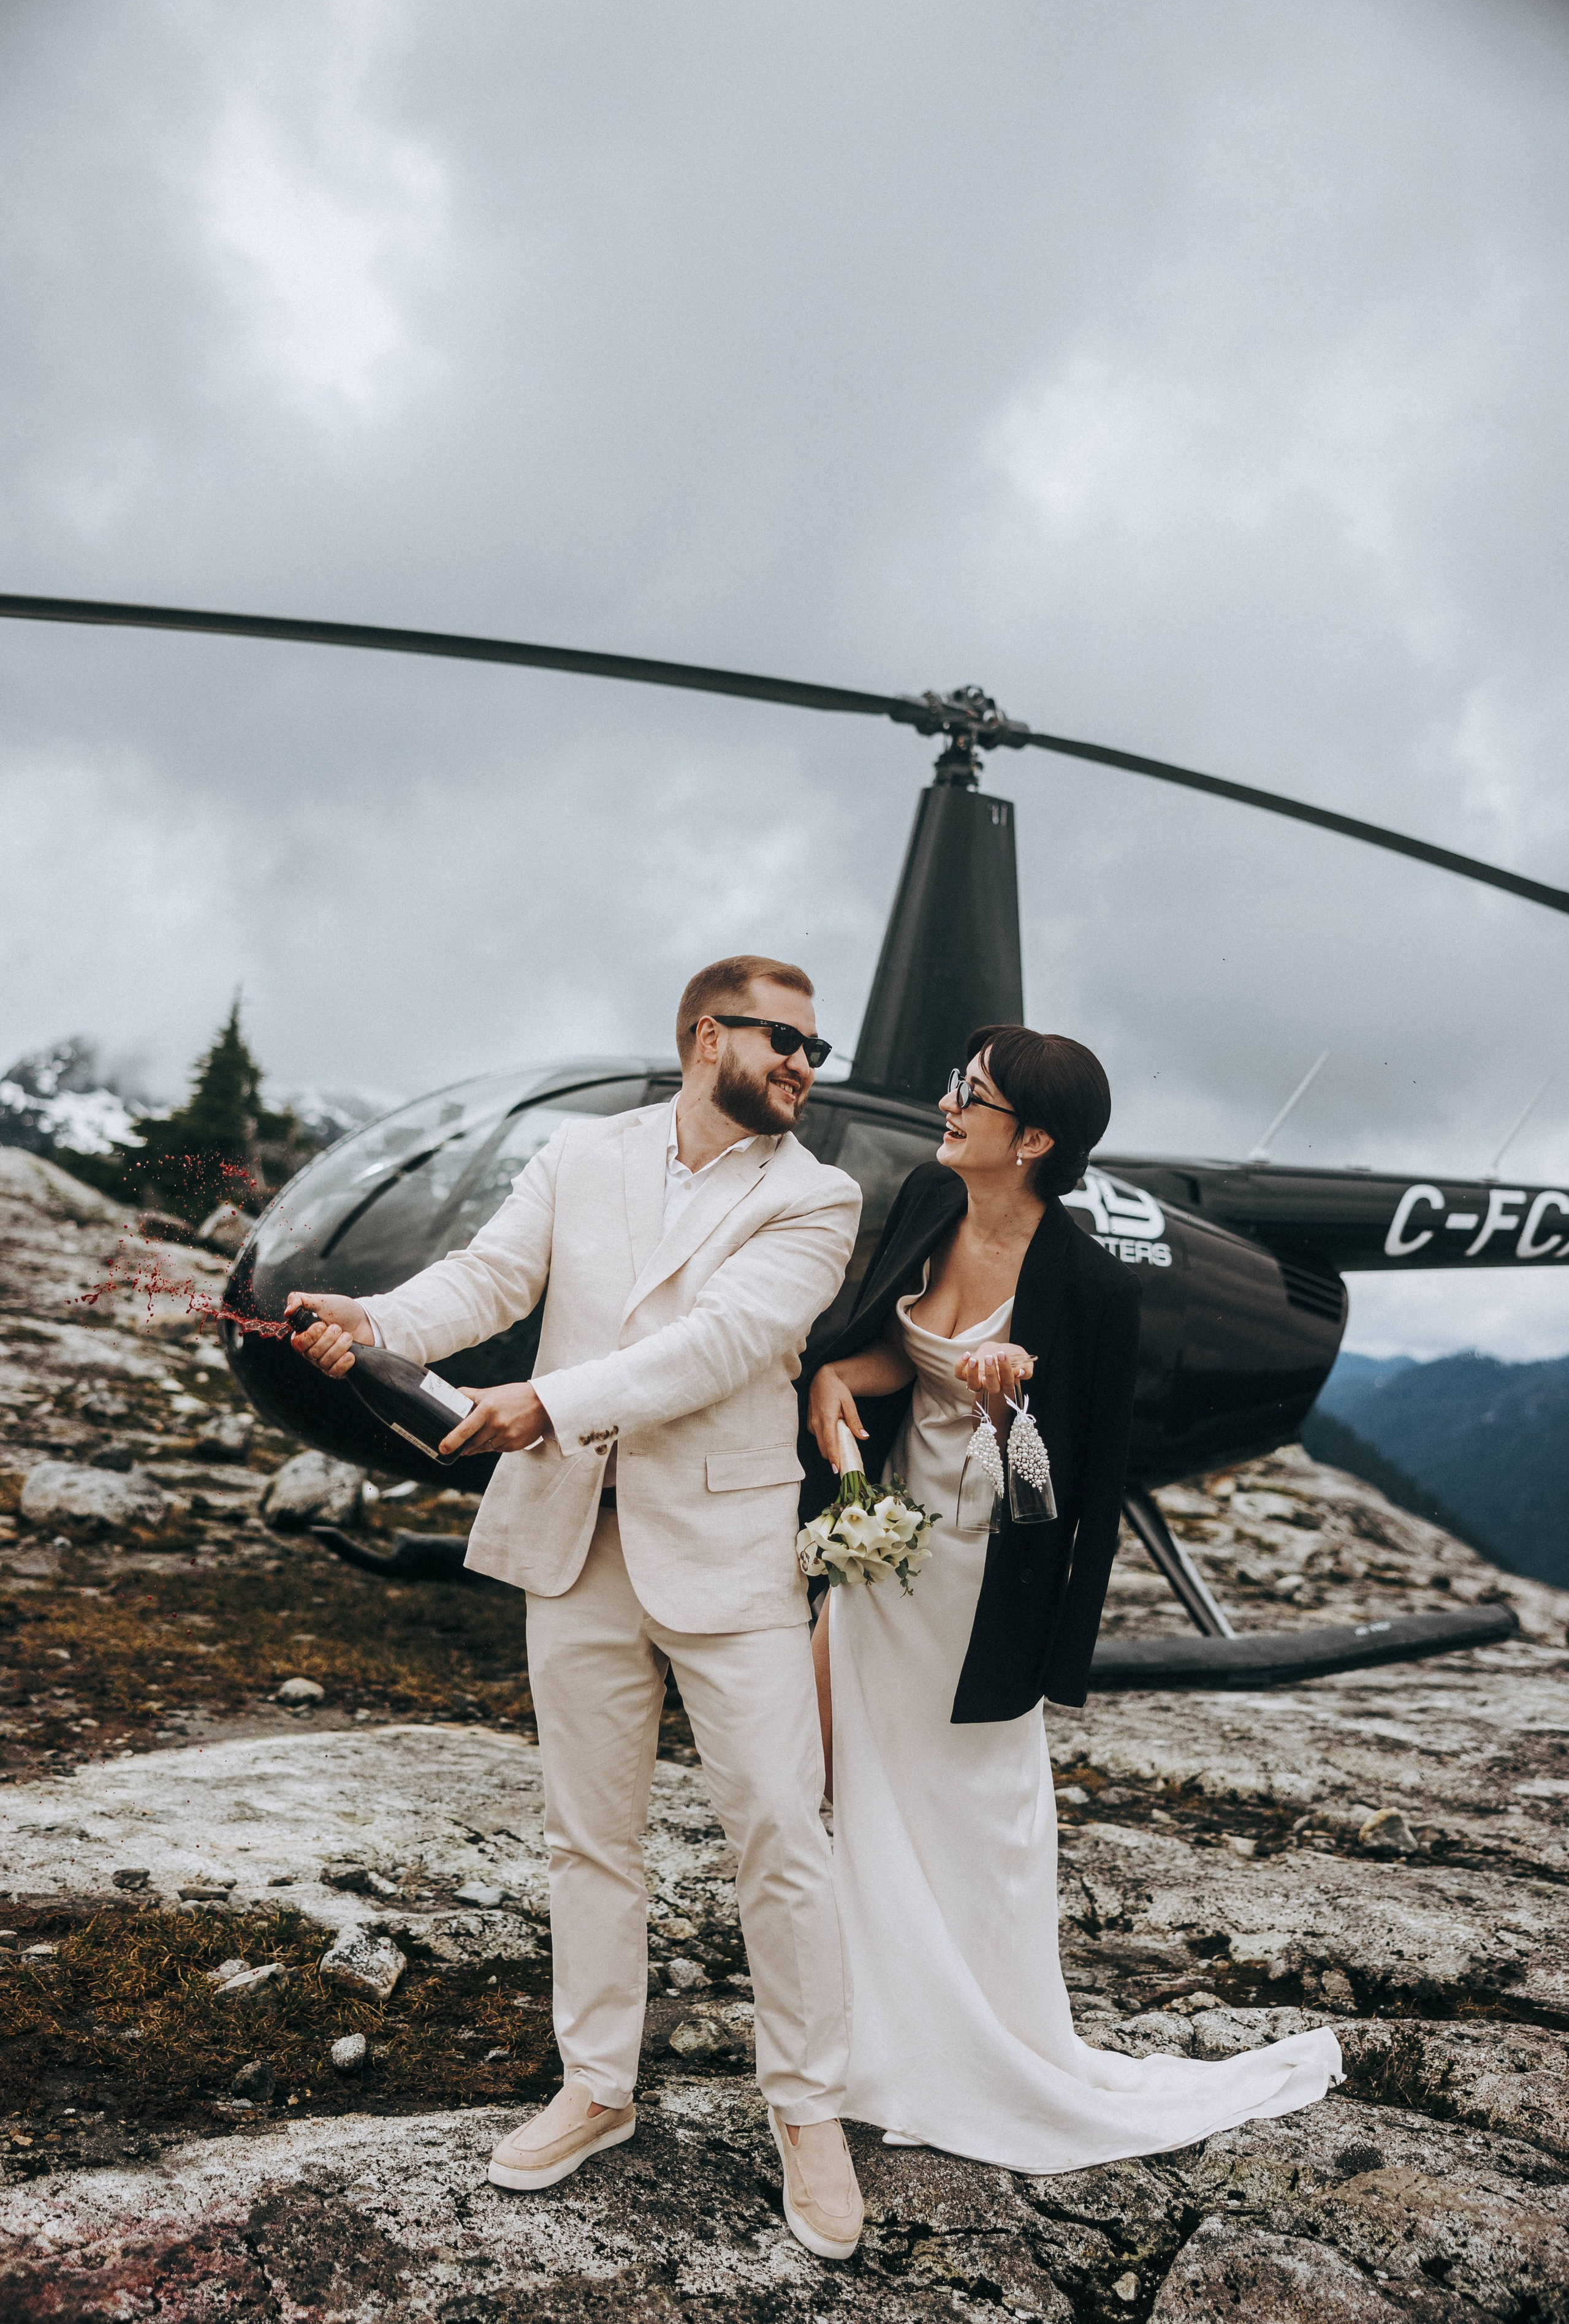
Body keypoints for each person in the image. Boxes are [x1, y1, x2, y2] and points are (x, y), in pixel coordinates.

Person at [289, 956, 867, 2261]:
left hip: (723, 1544)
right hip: (570, 1539)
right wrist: (373, 1317)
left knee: (779, 1826)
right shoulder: (578, 1152)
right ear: (703, 1032)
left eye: (814, 1048)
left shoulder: (816, 1194)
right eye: (784, 1038)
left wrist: (541, 1403)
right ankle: (596, 2087)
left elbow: (717, 1344)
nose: (803, 1065)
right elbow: (488, 1281)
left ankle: (808, 2113)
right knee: (585, 1835)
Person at [802, 1024, 1343, 2171]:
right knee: (871, 1787)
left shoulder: (1092, 1287)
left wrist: (1011, 1414)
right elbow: (896, 1352)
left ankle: (992, 2039)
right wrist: (838, 1379)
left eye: (973, 1095)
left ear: (1034, 1137)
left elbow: (1077, 1493)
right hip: (888, 1552)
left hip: (987, 1580)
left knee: (979, 1806)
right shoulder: (924, 1202)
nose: (948, 1105)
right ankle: (877, 2029)